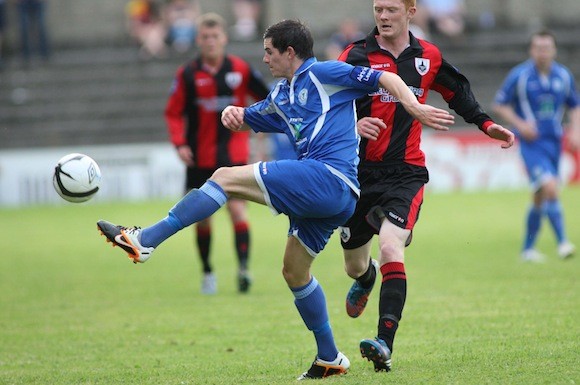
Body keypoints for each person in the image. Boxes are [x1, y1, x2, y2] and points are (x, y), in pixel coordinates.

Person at [97, 19, 454, 380]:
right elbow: (250, 118)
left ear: (289, 52)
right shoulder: (282, 95)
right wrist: (232, 115)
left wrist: (414, 105)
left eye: (269, 52)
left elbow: (385, 79)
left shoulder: (326, 73)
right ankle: (329, 357)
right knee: (294, 272)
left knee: (223, 176)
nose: (264, 59)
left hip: (330, 179)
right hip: (329, 197)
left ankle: (145, 241)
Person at [337, 0, 515, 373]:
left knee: (390, 246)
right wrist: (352, 126)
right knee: (354, 265)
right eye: (377, 9)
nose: (383, 17)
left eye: (391, 10)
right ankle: (366, 278)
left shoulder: (428, 57)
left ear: (411, 11)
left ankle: (384, 342)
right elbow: (328, 103)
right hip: (359, 174)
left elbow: (458, 93)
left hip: (407, 173)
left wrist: (485, 125)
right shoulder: (355, 55)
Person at [164, 12, 270, 294]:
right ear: (198, 40)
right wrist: (180, 143)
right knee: (201, 217)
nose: (210, 42)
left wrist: (257, 128)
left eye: (215, 36)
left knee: (237, 210)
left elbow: (268, 100)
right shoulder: (187, 74)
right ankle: (208, 271)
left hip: (232, 154)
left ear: (223, 38)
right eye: (205, 37)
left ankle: (243, 269)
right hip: (199, 156)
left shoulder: (240, 69)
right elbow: (173, 113)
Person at [493, 29, 580, 263]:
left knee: (540, 195)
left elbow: (575, 104)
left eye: (547, 48)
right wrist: (521, 124)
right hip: (532, 143)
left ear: (554, 50)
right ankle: (563, 242)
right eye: (538, 48)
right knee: (550, 187)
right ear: (532, 50)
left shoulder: (563, 75)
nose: (543, 52)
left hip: (554, 141)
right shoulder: (520, 75)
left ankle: (527, 249)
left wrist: (575, 130)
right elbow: (500, 104)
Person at [16, 0, 50, 64]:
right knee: (24, 28)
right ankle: (26, 55)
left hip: (37, 2)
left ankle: (45, 54)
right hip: (23, 2)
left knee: (41, 27)